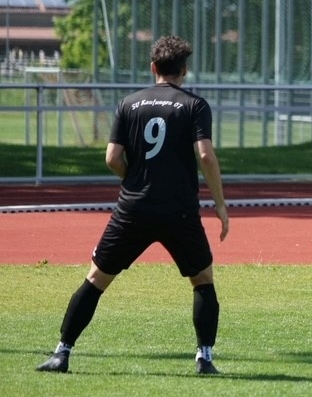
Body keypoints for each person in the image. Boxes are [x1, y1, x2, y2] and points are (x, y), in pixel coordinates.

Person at [36, 36, 230, 375]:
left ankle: (61, 353)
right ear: (184, 70)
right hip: (179, 210)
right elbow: (205, 155)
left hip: (133, 209)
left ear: (153, 67)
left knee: (96, 279)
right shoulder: (195, 105)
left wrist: (136, 179)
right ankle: (205, 358)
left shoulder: (129, 103)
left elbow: (112, 157)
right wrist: (220, 204)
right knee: (202, 280)